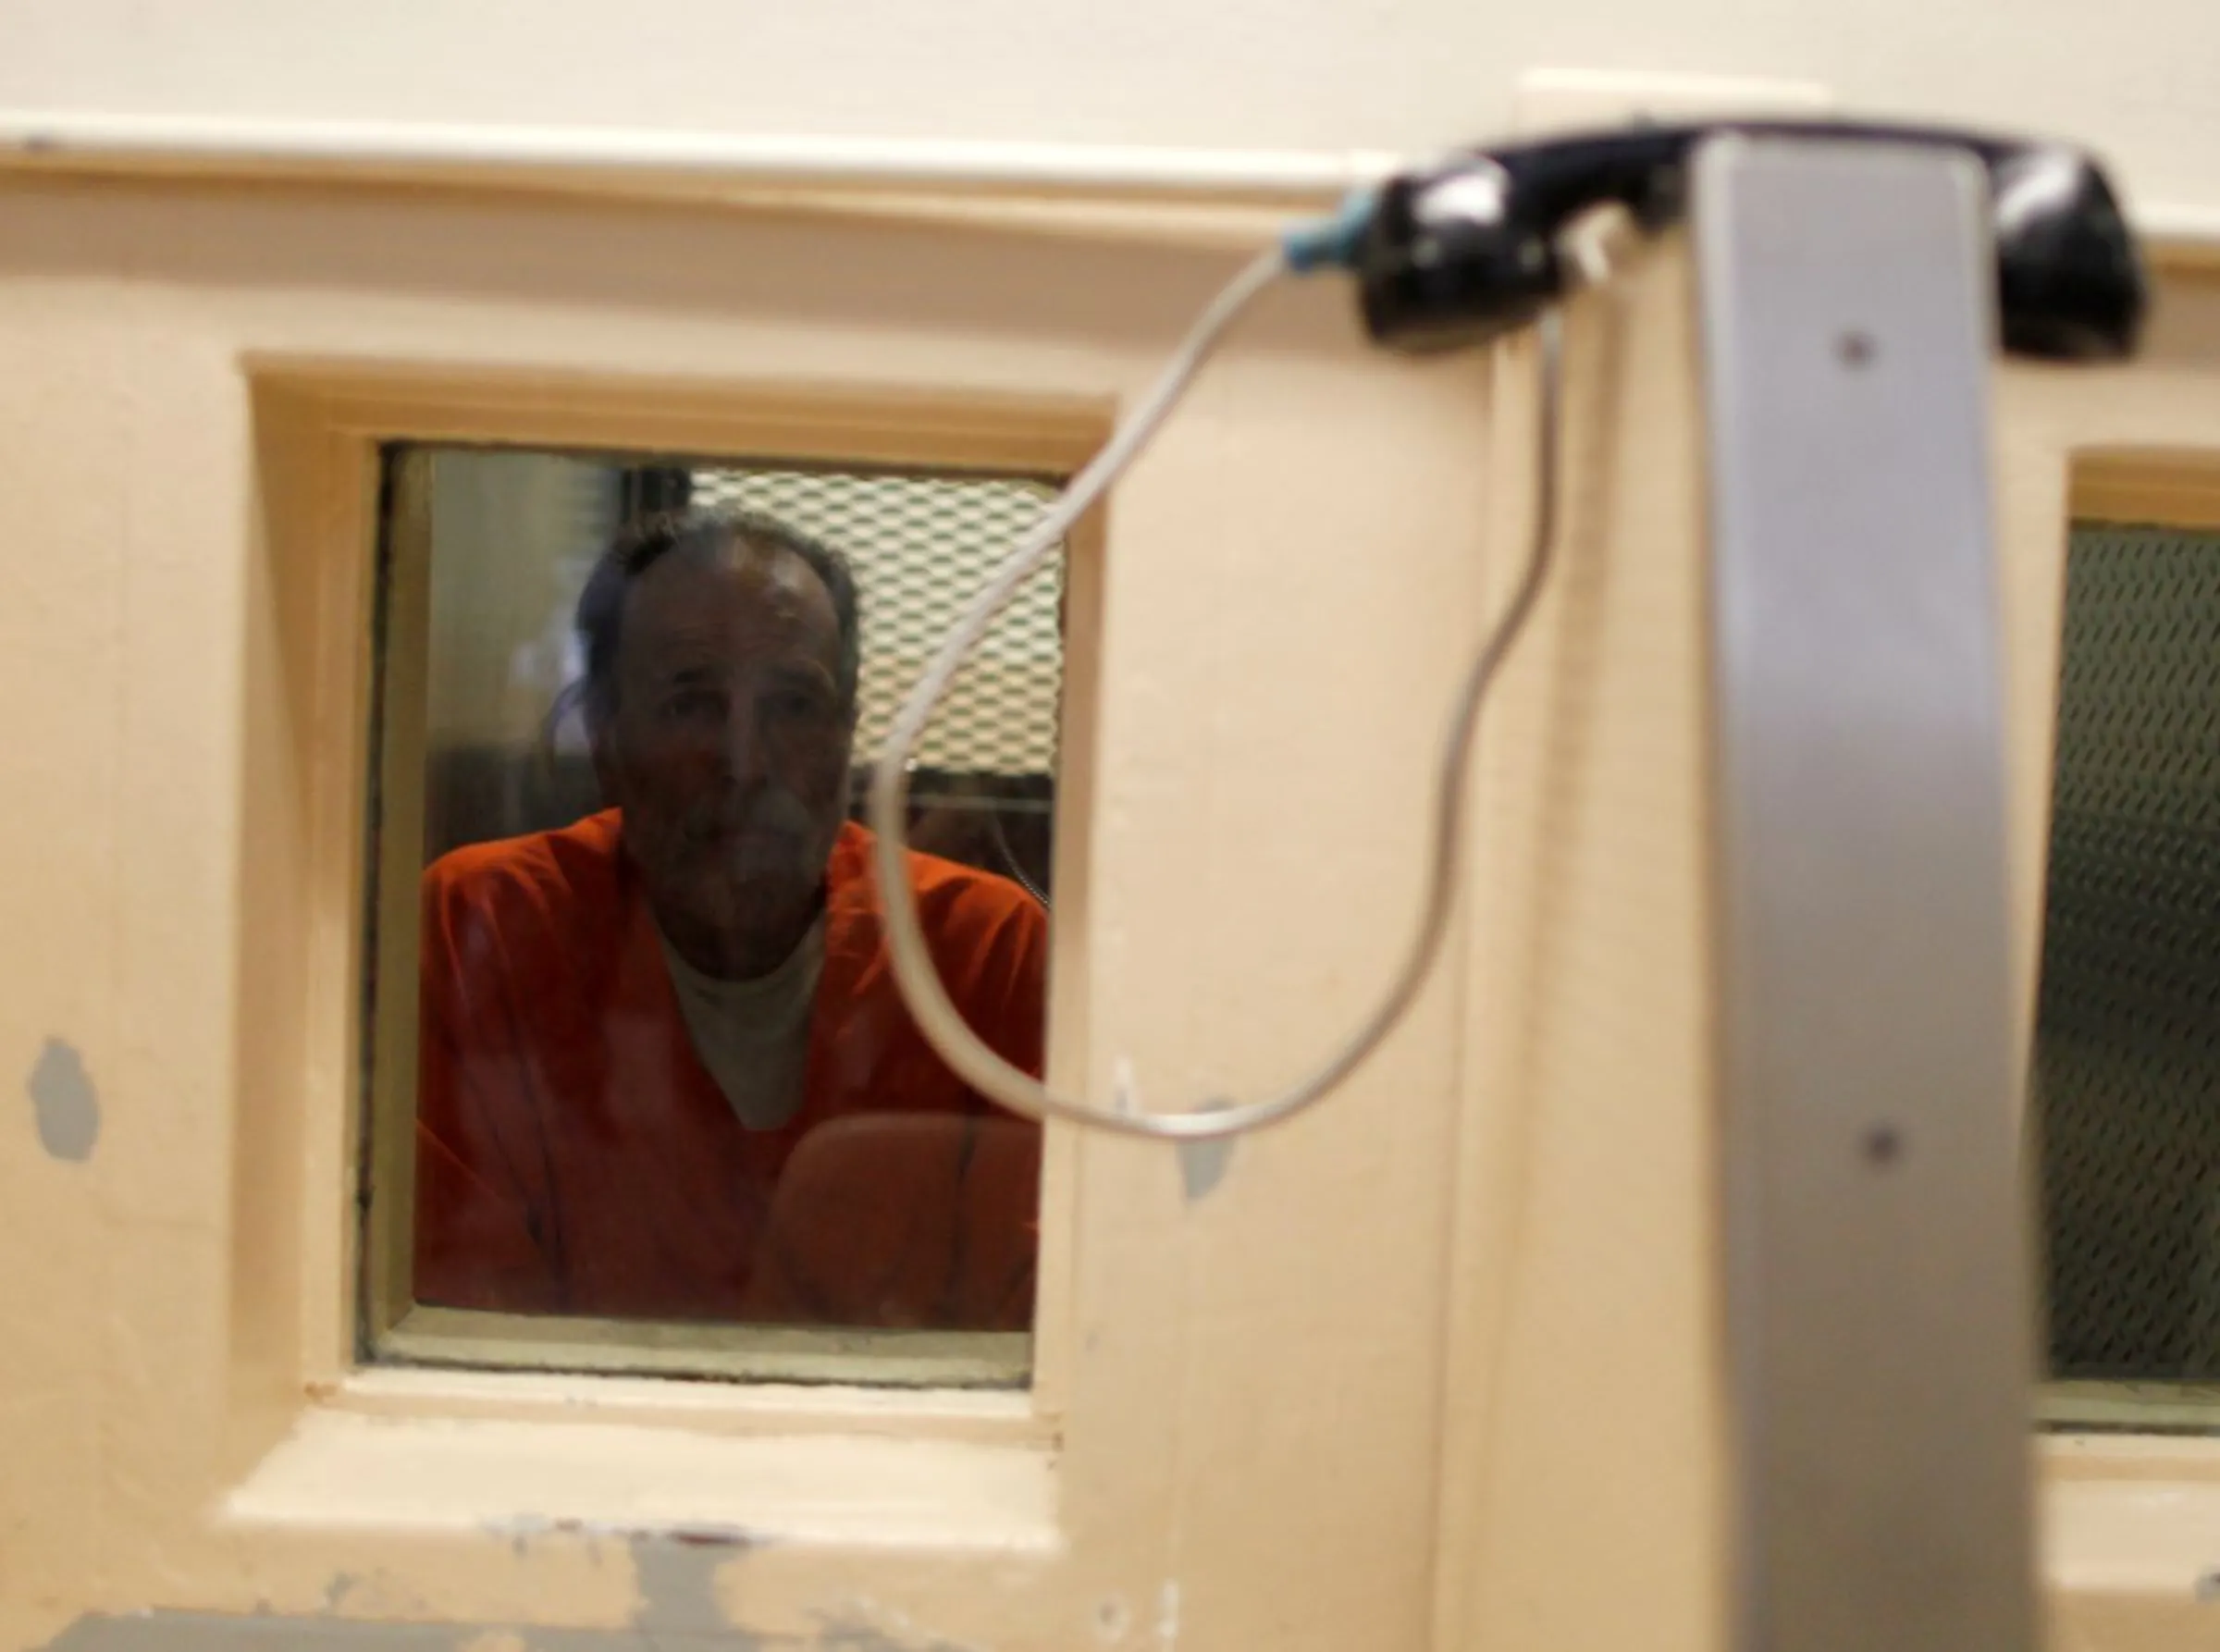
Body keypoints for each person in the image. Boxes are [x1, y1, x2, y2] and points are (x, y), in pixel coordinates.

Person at [413, 507, 1047, 1329]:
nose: (746, 763)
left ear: (844, 739)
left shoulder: (983, 955)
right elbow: (454, 1334)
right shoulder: (481, 929)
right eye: (691, 704)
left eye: (793, 705)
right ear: (606, 738)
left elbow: (1026, 1341)